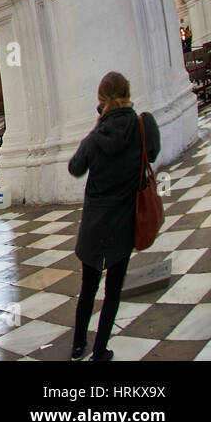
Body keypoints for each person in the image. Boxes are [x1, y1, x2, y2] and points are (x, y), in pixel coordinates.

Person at [68, 72, 160, 362]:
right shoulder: (142, 125)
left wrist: (97, 130)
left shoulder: (96, 137)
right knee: (113, 292)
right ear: (127, 93)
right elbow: (153, 152)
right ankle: (99, 352)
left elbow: (75, 168)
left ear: (100, 100)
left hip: (95, 224)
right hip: (124, 221)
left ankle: (77, 346)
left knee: (88, 289)